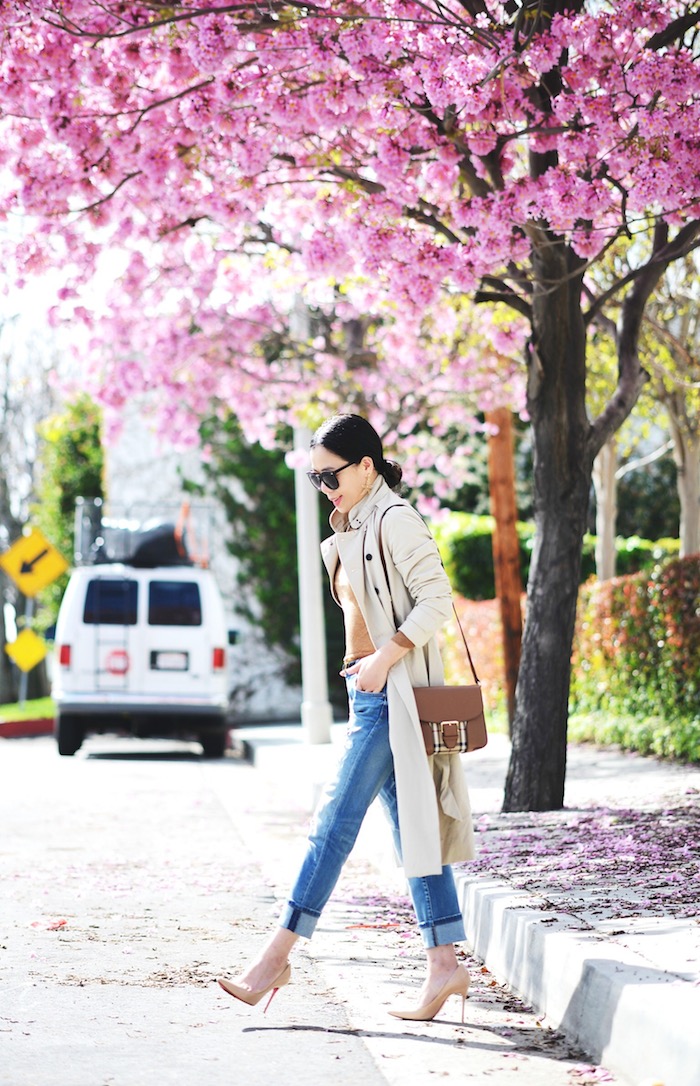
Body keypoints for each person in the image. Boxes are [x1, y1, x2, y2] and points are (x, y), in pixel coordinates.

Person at [217, 413, 474, 1020]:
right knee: (413, 830)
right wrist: (362, 664)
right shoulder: (352, 525)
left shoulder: (395, 519)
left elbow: (438, 599)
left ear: (366, 466)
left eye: (331, 476)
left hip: (394, 697)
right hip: (370, 692)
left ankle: (277, 954)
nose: (324, 490)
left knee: (332, 823)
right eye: (316, 481)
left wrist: (383, 660)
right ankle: (444, 965)